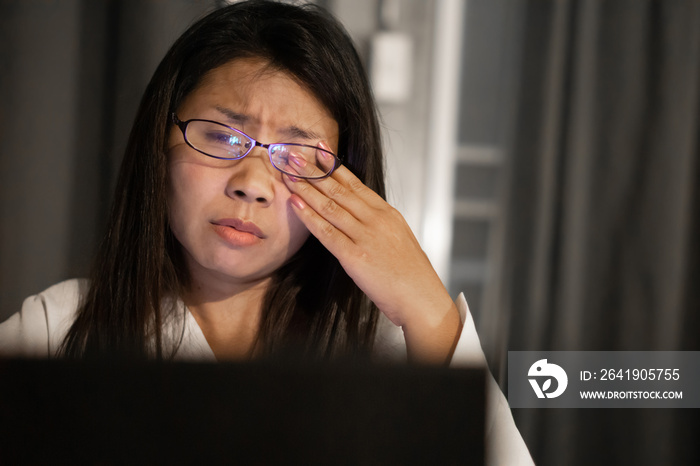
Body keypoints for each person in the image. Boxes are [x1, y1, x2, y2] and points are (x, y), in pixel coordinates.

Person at [0, 1, 533, 463]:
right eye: (220, 135)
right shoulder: (56, 332)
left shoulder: (392, 354)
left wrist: (427, 308)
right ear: (157, 144)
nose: (253, 184)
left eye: (297, 156)